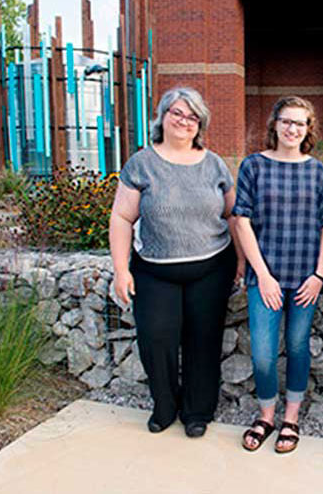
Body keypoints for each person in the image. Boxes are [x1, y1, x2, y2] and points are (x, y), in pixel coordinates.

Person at [109, 86, 242, 438]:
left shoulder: (214, 164)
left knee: (204, 340)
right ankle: (165, 405)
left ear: (201, 124)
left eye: (192, 116)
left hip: (212, 268)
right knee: (157, 338)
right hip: (155, 270)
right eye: (177, 113)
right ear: (162, 117)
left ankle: (198, 412)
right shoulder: (141, 163)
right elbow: (122, 218)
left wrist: (242, 261)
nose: (184, 121)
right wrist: (121, 270)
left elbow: (233, 215)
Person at [234, 96, 323, 454]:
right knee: (263, 352)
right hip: (265, 278)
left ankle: (290, 417)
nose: (293, 128)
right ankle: (266, 415)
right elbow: (242, 221)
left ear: (309, 129)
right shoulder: (254, 166)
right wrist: (262, 274)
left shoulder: (316, 171)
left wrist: (319, 275)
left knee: (297, 346)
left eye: (300, 123)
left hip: (304, 279)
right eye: (287, 121)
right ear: (274, 124)